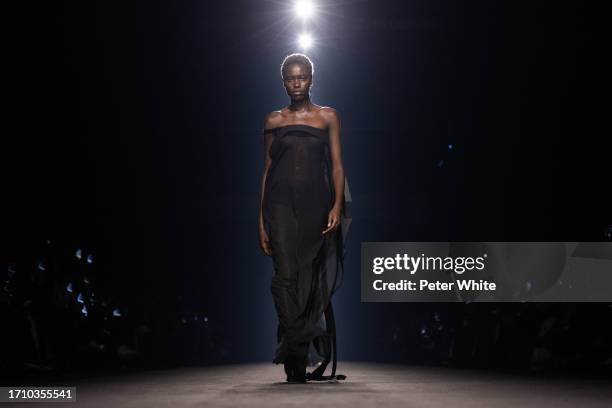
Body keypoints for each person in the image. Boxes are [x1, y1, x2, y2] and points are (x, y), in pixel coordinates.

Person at [258, 53, 351, 383]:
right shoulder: (273, 120)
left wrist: (337, 205)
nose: (296, 83)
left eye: (302, 77)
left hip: (316, 204)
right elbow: (267, 171)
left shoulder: (328, 116)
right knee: (284, 278)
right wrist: (260, 221)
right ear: (282, 81)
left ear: (312, 78)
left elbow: (338, 164)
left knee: (309, 280)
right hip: (280, 206)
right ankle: (305, 344)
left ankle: (294, 359)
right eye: (290, 78)